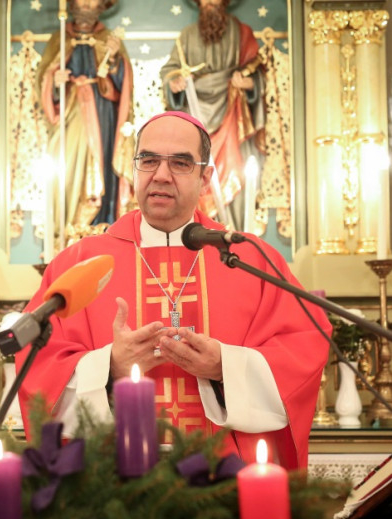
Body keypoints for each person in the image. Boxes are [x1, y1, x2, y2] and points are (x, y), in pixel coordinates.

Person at [16, 112, 330, 470]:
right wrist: (111, 368)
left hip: (224, 478)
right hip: (111, 482)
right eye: (148, 160)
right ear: (133, 169)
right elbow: (37, 366)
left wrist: (225, 367)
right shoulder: (80, 264)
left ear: (205, 178)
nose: (161, 175)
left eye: (180, 163)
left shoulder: (250, 259)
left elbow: (303, 351)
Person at [159, 0, 264, 224]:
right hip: (195, 116)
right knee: (195, 171)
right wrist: (175, 83)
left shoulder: (242, 33)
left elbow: (258, 71)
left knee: (235, 168)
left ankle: (233, 228)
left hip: (230, 113)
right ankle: (199, 227)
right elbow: (170, 72)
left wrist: (248, 83)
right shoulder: (187, 36)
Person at [37, 0, 135, 237]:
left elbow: (124, 86)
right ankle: (68, 229)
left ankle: (101, 227)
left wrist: (114, 60)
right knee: (70, 168)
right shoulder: (59, 39)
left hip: (103, 118)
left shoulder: (109, 39)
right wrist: (55, 82)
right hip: (72, 115)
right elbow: (43, 82)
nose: (87, 3)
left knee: (103, 168)